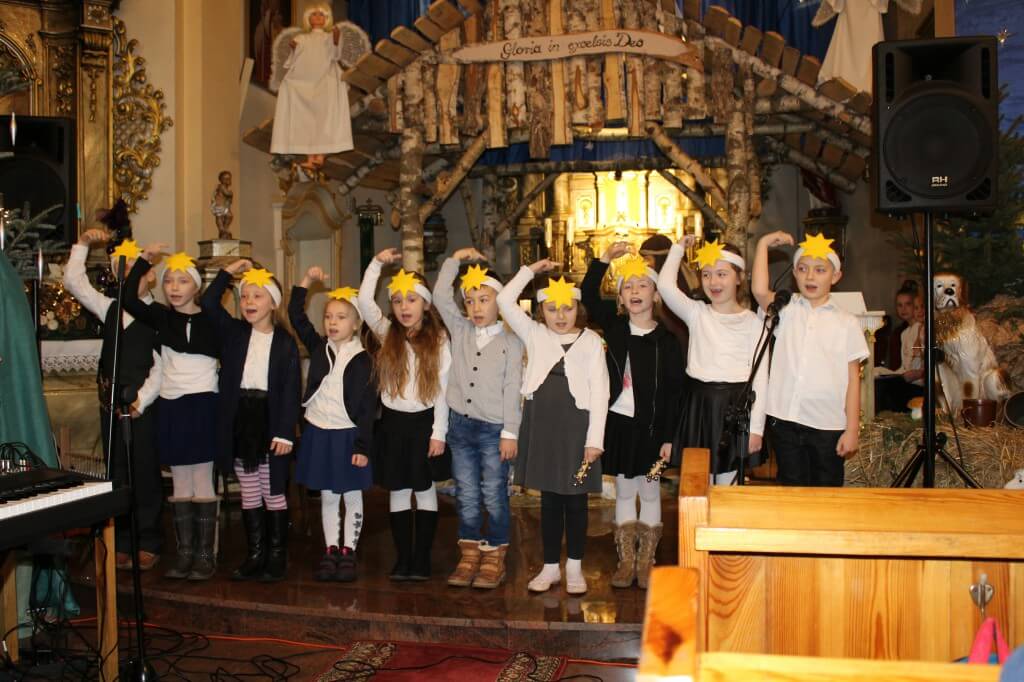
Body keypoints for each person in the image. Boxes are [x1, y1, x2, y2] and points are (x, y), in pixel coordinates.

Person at [496, 259, 609, 595]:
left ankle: (574, 567)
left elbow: (600, 392)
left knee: (575, 500)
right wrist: (529, 271)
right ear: (541, 311)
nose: (560, 316)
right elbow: (504, 300)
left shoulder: (591, 341)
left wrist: (594, 439)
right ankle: (549, 567)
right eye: (552, 309)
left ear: (579, 309)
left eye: (567, 308)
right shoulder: (535, 333)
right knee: (549, 501)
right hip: (542, 425)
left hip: (576, 429)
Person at [581, 243, 683, 590]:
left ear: (656, 294)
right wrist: (603, 261)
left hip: (653, 432)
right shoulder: (614, 327)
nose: (635, 291)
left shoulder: (667, 341)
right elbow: (588, 296)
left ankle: (646, 560)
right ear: (621, 298)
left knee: (650, 491)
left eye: (643, 285)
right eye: (628, 286)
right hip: (620, 428)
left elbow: (674, 393)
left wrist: (670, 437)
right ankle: (626, 560)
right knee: (624, 490)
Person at [63, 231, 163, 572]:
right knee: (116, 472)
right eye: (122, 269)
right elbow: (74, 282)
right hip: (111, 406)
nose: (127, 274)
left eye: (134, 267)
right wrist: (82, 245)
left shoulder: (157, 316)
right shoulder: (109, 308)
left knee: (144, 472)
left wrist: (140, 401)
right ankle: (120, 540)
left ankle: (148, 539)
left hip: (140, 407)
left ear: (150, 274)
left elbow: (162, 366)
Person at [123, 245, 221, 580]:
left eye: (183, 281)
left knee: (202, 478)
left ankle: (205, 554)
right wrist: (143, 261)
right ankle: (185, 552)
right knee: (180, 479)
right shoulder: (161, 318)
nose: (174, 287)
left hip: (203, 405)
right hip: (173, 406)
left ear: (196, 286)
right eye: (168, 281)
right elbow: (129, 298)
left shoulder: (211, 319)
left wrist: (224, 275)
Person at [200, 261, 300, 582]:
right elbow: (208, 302)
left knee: (273, 490)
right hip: (241, 420)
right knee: (249, 490)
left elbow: (291, 391)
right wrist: (229, 271)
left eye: (257, 296)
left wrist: (285, 432)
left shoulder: (284, 342)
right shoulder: (235, 332)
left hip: (270, 422)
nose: (249, 302)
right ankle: (255, 554)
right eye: (244, 296)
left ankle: (277, 555)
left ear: (273, 303)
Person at [357, 249, 451, 582]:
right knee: (397, 490)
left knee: (424, 489)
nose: (404, 307)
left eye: (412, 300)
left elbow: (443, 390)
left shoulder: (439, 340)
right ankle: (403, 558)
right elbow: (364, 302)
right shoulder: (387, 333)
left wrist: (439, 432)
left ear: (426, 304)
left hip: (424, 425)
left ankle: (421, 558)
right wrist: (376, 264)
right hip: (393, 425)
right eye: (397, 301)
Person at [434, 249, 524, 590]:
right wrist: (454, 259)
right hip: (461, 427)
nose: (476, 307)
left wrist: (510, 431)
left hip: (493, 430)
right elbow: (440, 296)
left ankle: (494, 553)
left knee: (494, 493)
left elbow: (513, 387)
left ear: (499, 302)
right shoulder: (460, 330)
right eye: (470, 301)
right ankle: (469, 551)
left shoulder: (511, 342)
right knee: (467, 493)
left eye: (484, 300)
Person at [752, 232, 869, 486]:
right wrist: (763, 244)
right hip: (785, 420)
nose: (810, 276)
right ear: (795, 274)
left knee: (826, 490)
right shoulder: (787, 309)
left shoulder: (847, 322)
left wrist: (851, 429)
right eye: (803, 269)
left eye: (820, 270)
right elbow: (759, 291)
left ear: (835, 276)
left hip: (826, 424)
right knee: (791, 487)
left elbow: (853, 379)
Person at [657, 237, 767, 486]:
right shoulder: (697, 313)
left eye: (721, 274)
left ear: (739, 277)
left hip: (734, 407)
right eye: (706, 275)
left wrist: (756, 429)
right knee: (697, 482)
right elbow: (664, 286)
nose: (713, 282)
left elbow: (761, 378)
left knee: (729, 484)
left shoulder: (753, 323)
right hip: (699, 407)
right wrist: (678, 249)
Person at [288, 269, 376, 582]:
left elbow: (367, 409)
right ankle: (330, 549)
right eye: (328, 317)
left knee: (351, 495)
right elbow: (295, 315)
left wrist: (362, 446)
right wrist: (306, 282)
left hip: (348, 436)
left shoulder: (364, 359)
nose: (332, 323)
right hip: (319, 433)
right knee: (327, 495)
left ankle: (348, 550)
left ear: (356, 323)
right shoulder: (318, 347)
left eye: (341, 317)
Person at [270, 4, 353, 163]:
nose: (317, 17)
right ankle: (309, 154)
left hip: (326, 80)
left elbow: (335, 55)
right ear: (308, 18)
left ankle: (320, 154)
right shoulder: (302, 38)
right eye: (314, 14)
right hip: (305, 81)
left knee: (324, 117)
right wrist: (294, 48)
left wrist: (336, 39)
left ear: (326, 18)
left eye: (321, 14)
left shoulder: (328, 37)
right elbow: (294, 60)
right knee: (305, 117)